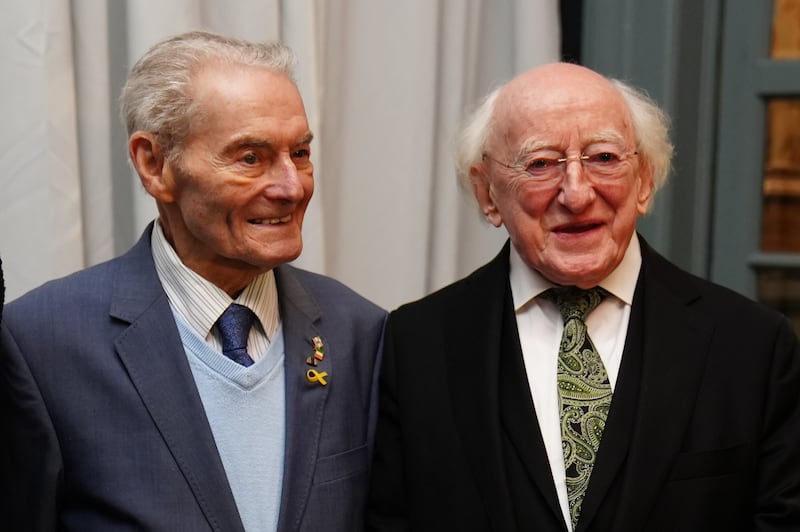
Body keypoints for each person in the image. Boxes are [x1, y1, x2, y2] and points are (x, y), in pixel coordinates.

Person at [366, 62, 800, 531]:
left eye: (604, 158)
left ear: (645, 180)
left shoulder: (752, 347)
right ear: (487, 192)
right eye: (540, 164)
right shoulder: (415, 346)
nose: (576, 194)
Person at [0, 31, 386, 532]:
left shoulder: (360, 332)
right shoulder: (42, 343)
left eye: (301, 153)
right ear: (154, 164)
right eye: (251, 158)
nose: (292, 187)